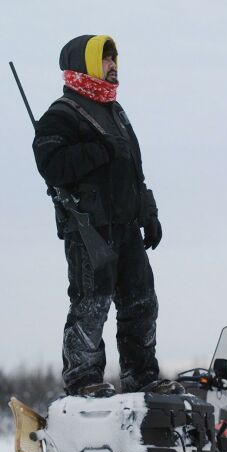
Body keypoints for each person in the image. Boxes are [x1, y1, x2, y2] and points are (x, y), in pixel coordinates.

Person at [32, 35, 168, 397]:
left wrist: (149, 212)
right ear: (86, 63)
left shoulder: (116, 112)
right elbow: (51, 165)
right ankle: (83, 380)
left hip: (126, 227)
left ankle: (142, 378)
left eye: (114, 59)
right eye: (105, 59)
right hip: (89, 230)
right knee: (91, 304)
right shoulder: (62, 113)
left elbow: (134, 170)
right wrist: (98, 150)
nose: (113, 65)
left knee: (142, 302)